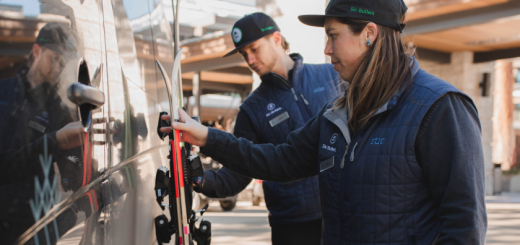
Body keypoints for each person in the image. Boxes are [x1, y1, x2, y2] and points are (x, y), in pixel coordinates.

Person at [162, 0, 488, 244]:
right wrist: (206, 137)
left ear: (369, 34)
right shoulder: (339, 112)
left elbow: (464, 225)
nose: (327, 49)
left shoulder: (440, 108)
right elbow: (279, 160)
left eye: (333, 35)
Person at [196, 12, 340, 244]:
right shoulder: (252, 108)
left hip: (344, 214)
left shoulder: (331, 76)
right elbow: (238, 170)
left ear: (276, 39)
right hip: (292, 225)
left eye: (254, 49)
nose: (250, 60)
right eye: (244, 54)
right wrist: (201, 180)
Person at [0, 22, 85, 244]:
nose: (57, 67)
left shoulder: (62, 112)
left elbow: (75, 171)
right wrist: (54, 142)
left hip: (34, 227)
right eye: (53, 58)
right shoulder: (3, 91)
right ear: (37, 51)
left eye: (62, 62)